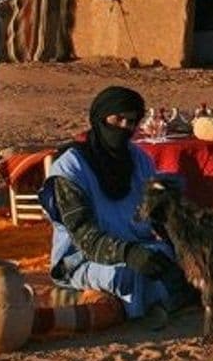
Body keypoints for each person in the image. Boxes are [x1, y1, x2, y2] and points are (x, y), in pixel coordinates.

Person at [39, 86, 188, 321]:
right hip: (81, 259)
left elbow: (157, 215)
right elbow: (84, 236)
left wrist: (181, 248)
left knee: (176, 259)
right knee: (128, 275)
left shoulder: (139, 160)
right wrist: (129, 254)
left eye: (130, 122)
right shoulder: (70, 169)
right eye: (117, 119)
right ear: (100, 117)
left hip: (139, 246)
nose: (123, 127)